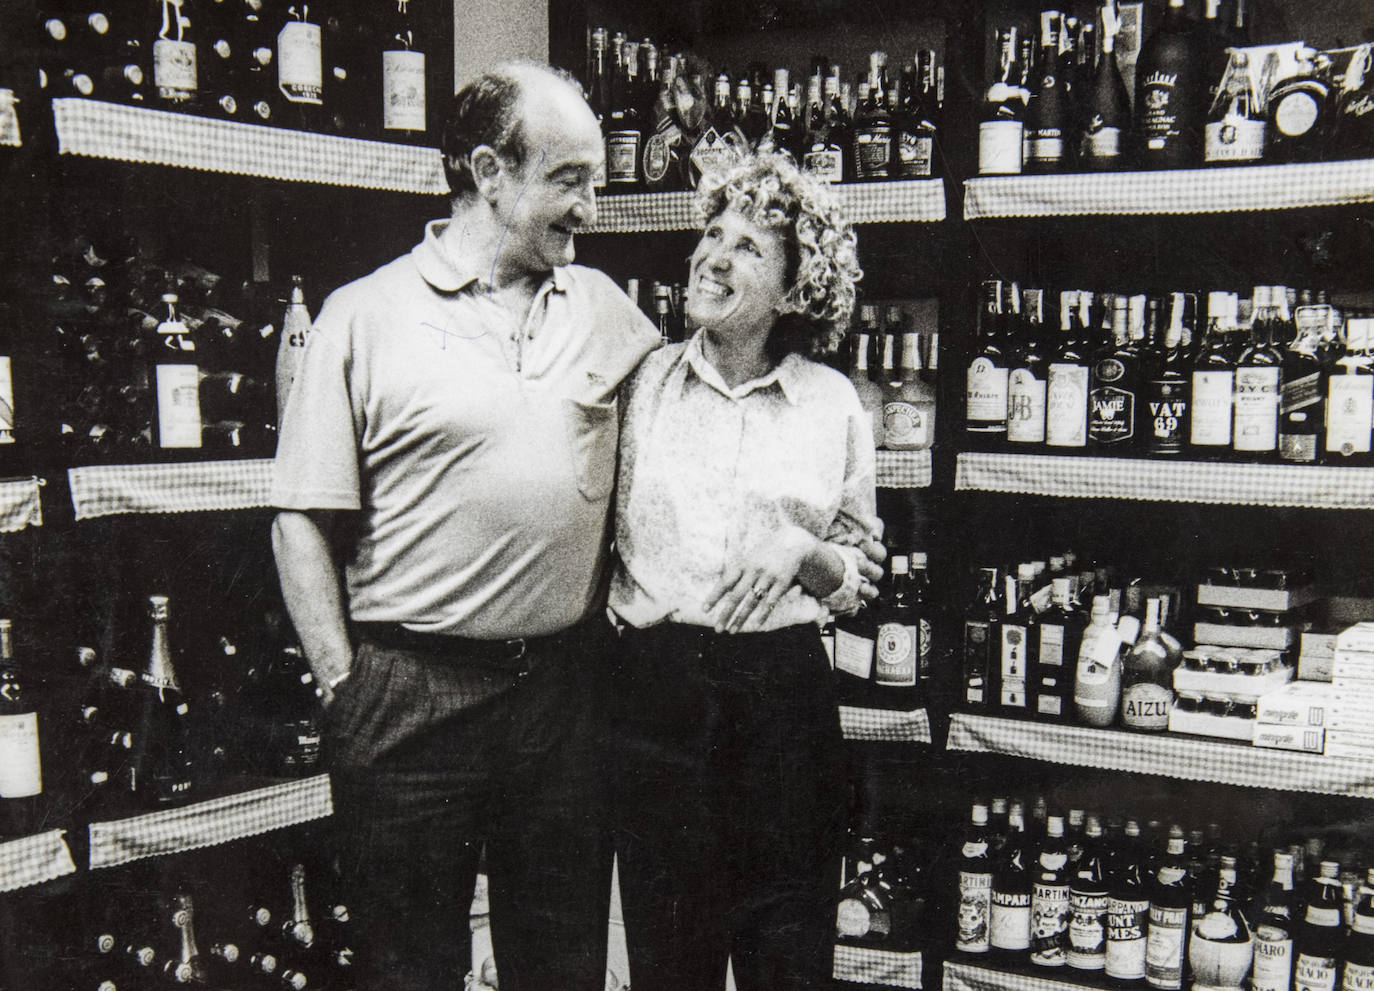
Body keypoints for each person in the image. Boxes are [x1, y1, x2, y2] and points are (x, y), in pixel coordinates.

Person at [269, 63, 659, 991]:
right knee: (410, 971)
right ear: (489, 171)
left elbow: (701, 403)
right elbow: (298, 522)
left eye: (595, 181)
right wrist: (343, 685)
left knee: (562, 966)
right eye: (570, 179)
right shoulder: (362, 316)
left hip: (560, 697)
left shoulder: (604, 308)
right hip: (409, 692)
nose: (591, 208)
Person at [608, 150, 882, 991]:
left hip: (782, 705)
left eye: (749, 247)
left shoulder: (832, 402)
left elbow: (863, 574)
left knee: (787, 964)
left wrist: (805, 553)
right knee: (669, 966)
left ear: (796, 289)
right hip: (656, 696)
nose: (713, 256)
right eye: (711, 234)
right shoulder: (639, 382)